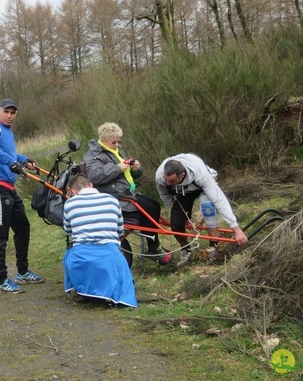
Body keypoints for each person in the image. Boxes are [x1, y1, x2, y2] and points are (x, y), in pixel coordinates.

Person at [0, 98, 44, 294]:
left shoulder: (7, 131)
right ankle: (1, 280)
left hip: (9, 186)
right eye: (6, 111)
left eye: (13, 112)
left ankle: (22, 272)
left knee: (23, 226)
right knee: (0, 233)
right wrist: (10, 162)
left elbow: (10, 153)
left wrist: (24, 161)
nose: (9, 115)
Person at [83, 122, 171, 264]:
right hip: (113, 196)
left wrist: (136, 169)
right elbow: (94, 176)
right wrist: (118, 168)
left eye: (119, 141)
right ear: (104, 140)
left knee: (154, 204)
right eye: (114, 142)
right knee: (150, 207)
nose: (117, 144)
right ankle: (153, 247)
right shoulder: (94, 155)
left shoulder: (116, 150)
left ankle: (153, 245)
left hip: (127, 191)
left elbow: (128, 174)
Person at [155, 153, 249, 266]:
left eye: (171, 181)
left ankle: (214, 247)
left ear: (182, 175)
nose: (167, 183)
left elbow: (219, 200)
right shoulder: (161, 177)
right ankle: (185, 250)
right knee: (176, 223)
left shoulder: (200, 173)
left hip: (200, 186)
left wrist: (236, 229)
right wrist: (180, 215)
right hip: (181, 192)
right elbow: (166, 197)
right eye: (166, 180)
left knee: (208, 209)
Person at [63, 174, 137, 307]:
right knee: (114, 254)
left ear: (73, 192)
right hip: (110, 252)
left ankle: (81, 290)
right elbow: (119, 230)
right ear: (91, 185)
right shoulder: (112, 199)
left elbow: (68, 231)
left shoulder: (69, 203)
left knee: (70, 252)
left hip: (82, 255)